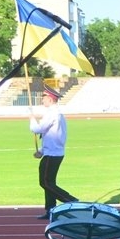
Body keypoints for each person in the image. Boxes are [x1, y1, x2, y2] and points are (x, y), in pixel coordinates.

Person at [29, 85, 77, 219]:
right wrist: (41, 150)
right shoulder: (57, 114)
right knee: (50, 183)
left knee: (45, 182)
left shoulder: (52, 114)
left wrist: (31, 118)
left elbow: (38, 129)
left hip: (52, 154)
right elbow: (52, 136)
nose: (42, 100)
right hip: (53, 152)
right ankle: (51, 210)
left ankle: (71, 200)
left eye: (44, 97)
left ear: (50, 99)